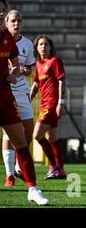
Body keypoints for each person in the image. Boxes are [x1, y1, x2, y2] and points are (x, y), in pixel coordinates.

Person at [0, 21, 49, 205]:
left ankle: (33, 189)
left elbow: (15, 64)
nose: (1, 13)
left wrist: (14, 74)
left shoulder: (7, 38)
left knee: (21, 142)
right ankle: (9, 175)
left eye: (3, 10)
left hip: (6, 98)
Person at [2, 10, 36, 187]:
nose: (16, 24)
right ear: (6, 23)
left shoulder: (28, 44)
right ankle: (9, 174)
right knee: (9, 132)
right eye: (13, 21)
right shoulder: (2, 40)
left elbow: (30, 67)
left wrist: (25, 70)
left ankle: (17, 167)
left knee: (28, 130)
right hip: (6, 92)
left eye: (19, 21)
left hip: (22, 91)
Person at [30, 36, 67, 180]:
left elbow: (61, 82)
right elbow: (36, 85)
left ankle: (54, 166)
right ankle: (60, 170)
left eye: (46, 44)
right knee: (52, 137)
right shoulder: (38, 64)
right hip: (44, 104)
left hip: (51, 105)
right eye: (40, 44)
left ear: (51, 47)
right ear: (37, 48)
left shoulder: (55, 61)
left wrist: (60, 102)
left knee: (36, 135)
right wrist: (28, 99)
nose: (43, 47)